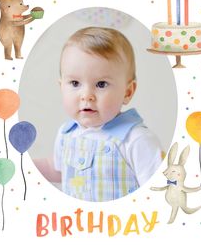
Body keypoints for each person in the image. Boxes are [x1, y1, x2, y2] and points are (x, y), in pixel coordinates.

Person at [34, 26, 162, 201]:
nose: (87, 95)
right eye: (74, 83)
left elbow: (158, 191)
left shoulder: (135, 140)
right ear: (61, 87)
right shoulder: (67, 133)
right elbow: (57, 169)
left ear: (127, 92)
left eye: (101, 84)